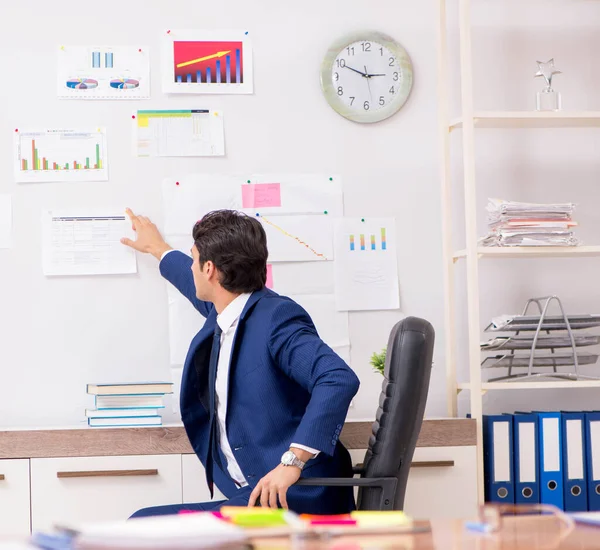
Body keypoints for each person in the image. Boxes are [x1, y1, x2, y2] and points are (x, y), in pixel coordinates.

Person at [122, 208, 360, 516]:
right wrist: (157, 248)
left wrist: (293, 461)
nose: (191, 266)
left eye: (194, 258)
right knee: (144, 524)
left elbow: (337, 378)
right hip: (254, 495)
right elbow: (187, 278)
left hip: (297, 495)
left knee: (145, 525)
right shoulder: (227, 311)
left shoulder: (276, 319)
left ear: (209, 269)